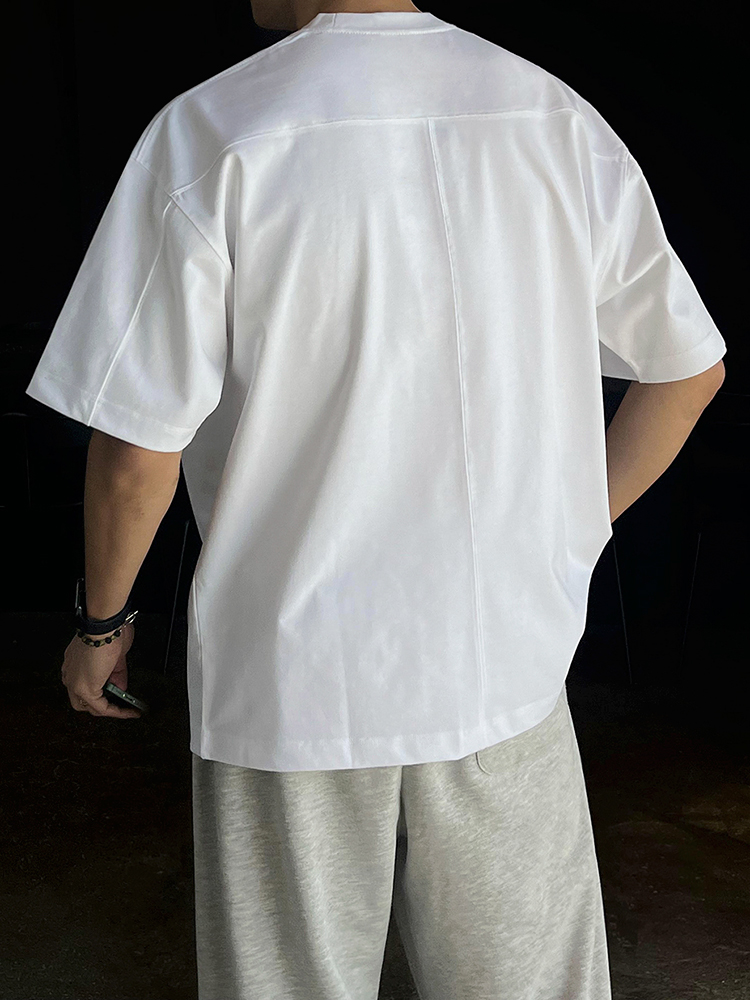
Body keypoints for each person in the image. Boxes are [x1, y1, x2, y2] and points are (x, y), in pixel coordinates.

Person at [27, 1, 726, 997]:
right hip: (503, 658)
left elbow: (138, 450)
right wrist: (565, 532)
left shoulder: (215, 132)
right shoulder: (550, 117)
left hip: (295, 681)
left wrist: (102, 625)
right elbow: (689, 370)